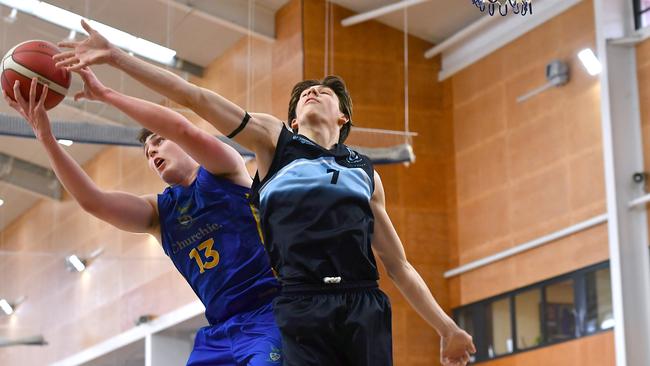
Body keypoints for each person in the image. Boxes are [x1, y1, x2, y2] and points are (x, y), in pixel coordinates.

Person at [54, 19, 476, 366]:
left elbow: (399, 265)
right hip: (297, 302)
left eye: (323, 91)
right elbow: (193, 98)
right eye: (302, 94)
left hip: (362, 299)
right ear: (291, 120)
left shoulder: (365, 173)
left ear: (343, 115)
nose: (312, 91)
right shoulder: (275, 143)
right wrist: (116, 58)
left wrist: (446, 327)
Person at [3, 71, 282, 366]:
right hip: (221, 330)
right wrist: (45, 137)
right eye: (148, 152)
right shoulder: (159, 214)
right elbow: (92, 201)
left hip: (269, 311)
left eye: (160, 141)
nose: (153, 152)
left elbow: (183, 129)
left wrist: (107, 94)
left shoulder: (224, 170)